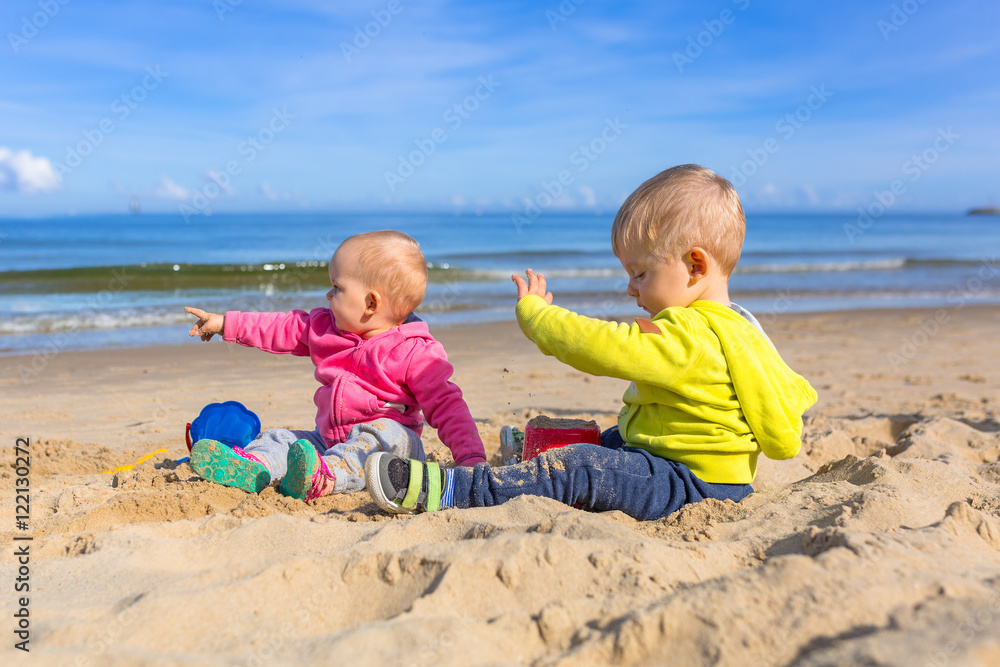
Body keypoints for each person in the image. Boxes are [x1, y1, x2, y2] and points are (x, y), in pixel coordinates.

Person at [365, 165, 817, 521]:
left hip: (689, 484)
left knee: (584, 466)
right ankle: (535, 456)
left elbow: (605, 346)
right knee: (613, 439)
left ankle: (452, 490)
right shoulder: (737, 324)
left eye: (641, 274)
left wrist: (540, 318)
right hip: (703, 468)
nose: (631, 289)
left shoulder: (689, 336)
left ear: (695, 265)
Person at [184, 230, 486, 501]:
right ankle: (256, 467)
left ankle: (325, 478)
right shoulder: (326, 329)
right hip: (327, 440)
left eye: (337, 288)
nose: (328, 295)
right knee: (281, 438)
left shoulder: (415, 353)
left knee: (382, 434)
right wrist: (225, 324)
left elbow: (449, 407)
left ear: (371, 303)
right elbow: (279, 327)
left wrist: (471, 459)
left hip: (391, 450)